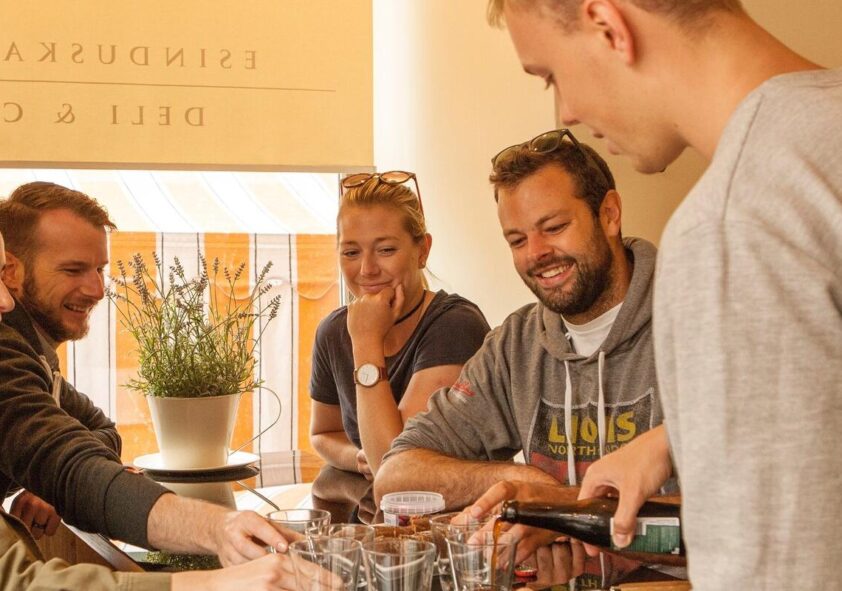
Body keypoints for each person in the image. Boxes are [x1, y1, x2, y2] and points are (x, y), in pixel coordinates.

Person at [486, 1, 842, 589]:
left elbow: (776, 564)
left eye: (551, 75)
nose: (568, 112)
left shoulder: (732, 223)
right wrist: (671, 440)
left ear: (608, 26)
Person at [375, 132, 672, 585]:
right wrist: (526, 485)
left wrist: (567, 510)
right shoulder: (516, 345)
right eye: (517, 240)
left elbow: (747, 511)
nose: (536, 254)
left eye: (554, 228)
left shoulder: (697, 319)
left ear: (609, 214)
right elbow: (394, 475)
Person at [0, 182, 290, 565]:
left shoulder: (33, 355)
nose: (97, 289)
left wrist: (46, 473)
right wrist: (218, 528)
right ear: (11, 271)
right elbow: (73, 467)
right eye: (73, 270)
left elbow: (98, 430)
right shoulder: (6, 349)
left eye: (99, 269)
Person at [309, 171, 490, 523]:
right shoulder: (332, 331)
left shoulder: (455, 325)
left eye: (386, 250)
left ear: (422, 250)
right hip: (370, 526)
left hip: (449, 530)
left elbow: (394, 468)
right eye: (351, 252)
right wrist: (356, 456)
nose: (367, 269)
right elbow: (322, 433)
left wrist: (365, 342)